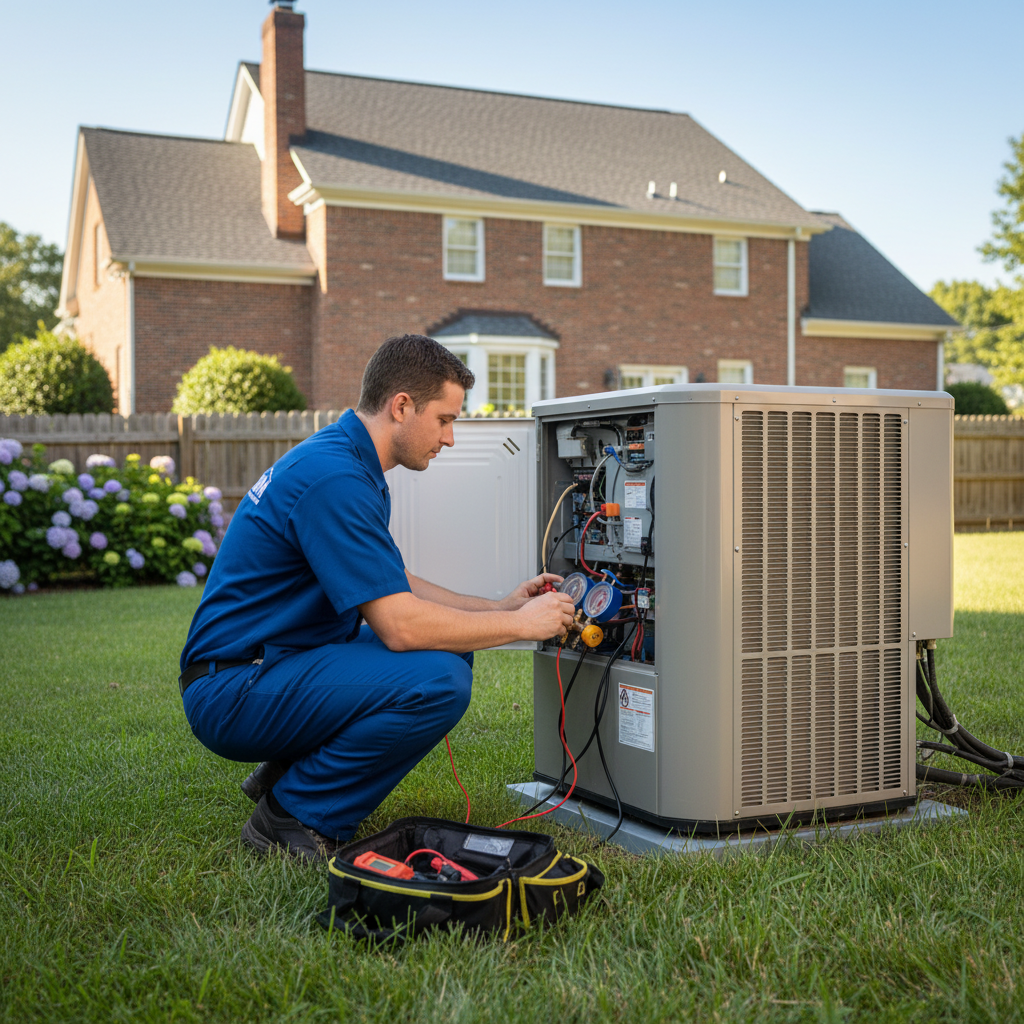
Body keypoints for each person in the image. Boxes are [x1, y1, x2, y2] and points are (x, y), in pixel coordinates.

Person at [179, 334, 576, 860]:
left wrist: (502, 607)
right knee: (437, 679)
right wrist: (525, 626)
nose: (451, 438)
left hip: (265, 665)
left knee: (448, 649)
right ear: (402, 406)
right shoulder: (335, 477)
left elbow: (396, 582)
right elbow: (401, 626)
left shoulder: (346, 461)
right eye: (444, 419)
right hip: (234, 686)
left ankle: (286, 774)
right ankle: (292, 814)